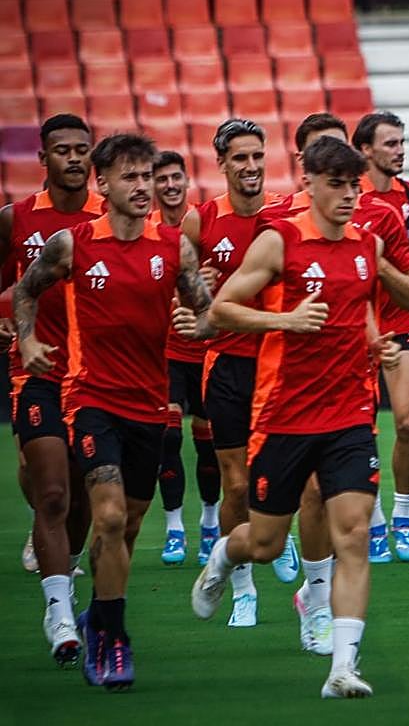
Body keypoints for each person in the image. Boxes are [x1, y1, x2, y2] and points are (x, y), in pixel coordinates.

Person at [190, 136, 409, 698]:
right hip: (285, 416)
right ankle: (225, 555)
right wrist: (286, 322)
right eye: (337, 185)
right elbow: (221, 309)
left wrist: (377, 346)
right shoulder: (280, 242)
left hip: (348, 416)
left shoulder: (367, 243)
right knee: (267, 541)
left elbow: (375, 305)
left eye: (354, 185)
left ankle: (343, 665)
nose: (348, 196)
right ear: (310, 184)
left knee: (353, 534)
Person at [15, 132, 215, 690]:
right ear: (103, 184)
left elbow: (210, 314)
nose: (143, 186)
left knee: (124, 528)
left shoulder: (174, 247)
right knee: (103, 516)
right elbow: (26, 291)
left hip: (150, 405)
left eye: (147, 176)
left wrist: (197, 325)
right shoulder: (71, 245)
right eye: (130, 176)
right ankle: (114, 640)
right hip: (91, 399)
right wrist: (28, 344)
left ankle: (98, 613)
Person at [180, 119, 297, 628]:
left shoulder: (287, 212)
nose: (250, 167)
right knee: (235, 485)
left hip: (283, 364)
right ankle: (242, 585)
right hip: (227, 366)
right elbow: (183, 304)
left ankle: (279, 537)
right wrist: (196, 291)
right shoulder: (200, 222)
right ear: (222, 164)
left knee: (298, 475)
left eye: (257, 156)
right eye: (240, 159)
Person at [0, 114, 104, 666]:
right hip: (35, 371)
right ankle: (60, 612)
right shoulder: (15, 219)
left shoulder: (109, 219)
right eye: (61, 150)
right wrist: (10, 323)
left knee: (84, 498)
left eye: (81, 149)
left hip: (97, 378)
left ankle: (64, 555)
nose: (72, 158)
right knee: (55, 494)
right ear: (43, 159)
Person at [354, 111, 409, 562]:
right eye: (390, 144)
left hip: (402, 315)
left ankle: (403, 514)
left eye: (402, 143)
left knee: (408, 421)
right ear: (365, 150)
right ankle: (376, 521)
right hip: (359, 318)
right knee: (361, 426)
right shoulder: (348, 197)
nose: (399, 150)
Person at [150, 150, 220, 566]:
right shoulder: (144, 231)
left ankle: (210, 522)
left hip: (208, 349)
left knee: (208, 442)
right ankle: (174, 527)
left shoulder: (203, 226)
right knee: (168, 435)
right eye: (163, 180)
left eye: (177, 178)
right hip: (167, 351)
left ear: (186, 180)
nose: (170, 185)